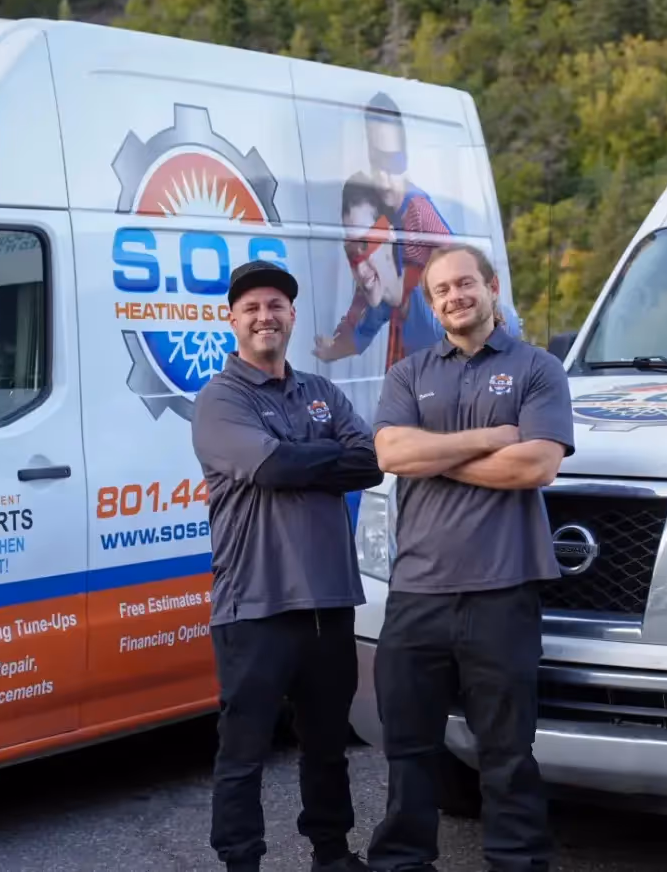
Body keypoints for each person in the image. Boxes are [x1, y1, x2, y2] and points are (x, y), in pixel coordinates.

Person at [365, 244, 575, 872]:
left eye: (465, 284)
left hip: (502, 590)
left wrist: (435, 453)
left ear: (491, 287)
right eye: (441, 292)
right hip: (417, 593)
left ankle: (517, 861)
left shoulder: (538, 369)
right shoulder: (408, 373)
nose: (454, 297)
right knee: (408, 748)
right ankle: (403, 861)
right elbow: (391, 454)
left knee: (507, 752)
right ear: (432, 305)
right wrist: (489, 437)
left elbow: (536, 464)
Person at [191, 259, 386, 872]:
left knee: (328, 746)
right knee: (243, 750)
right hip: (255, 603)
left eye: (275, 305)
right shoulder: (219, 399)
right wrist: (318, 458)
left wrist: (300, 458)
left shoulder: (323, 393)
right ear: (232, 321)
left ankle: (332, 853)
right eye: (250, 308)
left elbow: (372, 462)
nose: (264, 316)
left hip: (329, 600)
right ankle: (241, 862)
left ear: (292, 316)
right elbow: (272, 468)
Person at [314, 174, 443, 368]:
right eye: (351, 252)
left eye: (365, 246)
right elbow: (359, 338)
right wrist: (327, 350)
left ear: (390, 236)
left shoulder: (433, 306)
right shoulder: (383, 303)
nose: (360, 267)